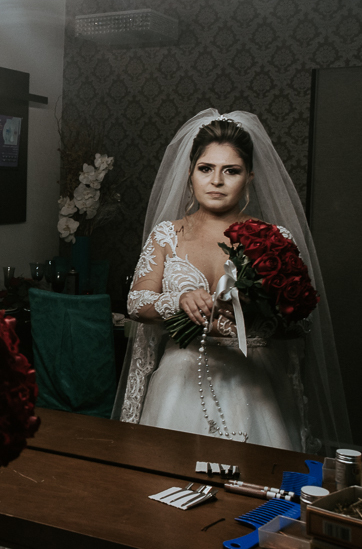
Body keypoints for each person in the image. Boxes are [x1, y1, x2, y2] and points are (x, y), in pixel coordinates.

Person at [113, 109, 350, 454]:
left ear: (250, 177)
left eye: (231, 171)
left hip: (253, 384)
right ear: (190, 173)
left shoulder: (275, 240)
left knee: (257, 492)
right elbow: (136, 303)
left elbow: (299, 324)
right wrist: (178, 301)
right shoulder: (166, 235)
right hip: (180, 380)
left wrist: (255, 309)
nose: (216, 181)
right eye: (205, 168)